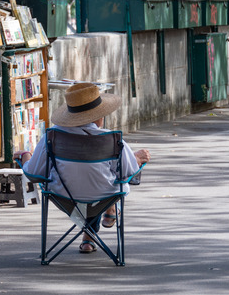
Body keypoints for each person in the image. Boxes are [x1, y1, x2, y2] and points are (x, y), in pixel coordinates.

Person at [22, 82, 150, 253]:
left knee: (86, 183)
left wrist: (25, 157)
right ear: (98, 116)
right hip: (104, 196)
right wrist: (137, 159)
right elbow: (128, 172)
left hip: (63, 196)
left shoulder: (52, 136)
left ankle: (88, 236)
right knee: (102, 186)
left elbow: (34, 173)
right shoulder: (111, 139)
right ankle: (108, 213)